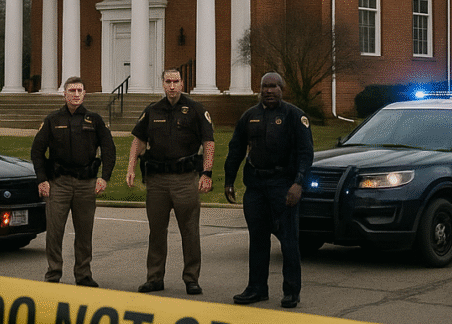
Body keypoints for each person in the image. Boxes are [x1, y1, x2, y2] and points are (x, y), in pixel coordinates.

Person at [224, 71, 314, 309]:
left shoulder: (294, 116)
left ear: (282, 89)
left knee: (288, 241)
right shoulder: (249, 116)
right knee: (258, 239)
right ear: (260, 89)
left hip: (283, 185)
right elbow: (236, 149)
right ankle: (256, 288)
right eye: (265, 86)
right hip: (255, 186)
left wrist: (299, 183)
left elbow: (306, 153)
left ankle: (291, 291)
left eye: (274, 86)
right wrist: (229, 180)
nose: (269, 90)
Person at [126, 68, 215, 295]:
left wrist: (207, 173)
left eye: (176, 81)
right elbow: (138, 141)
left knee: (190, 230)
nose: (172, 86)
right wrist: (131, 168)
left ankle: (191, 278)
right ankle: (154, 278)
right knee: (156, 231)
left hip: (185, 180)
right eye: (168, 81)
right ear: (163, 84)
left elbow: (209, 142)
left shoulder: (196, 110)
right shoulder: (152, 110)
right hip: (157, 182)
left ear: (182, 84)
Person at [30, 76, 116, 287]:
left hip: (86, 184)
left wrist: (104, 177)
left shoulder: (95, 120)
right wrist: (42, 180)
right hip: (59, 183)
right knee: (55, 231)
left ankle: (83, 275)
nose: (76, 94)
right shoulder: (52, 120)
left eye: (79, 90)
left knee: (84, 232)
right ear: (64, 94)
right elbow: (37, 151)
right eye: (72, 91)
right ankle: (53, 273)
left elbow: (109, 149)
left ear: (84, 94)